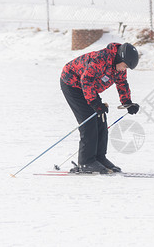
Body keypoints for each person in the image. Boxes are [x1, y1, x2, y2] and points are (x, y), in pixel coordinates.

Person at [60, 42, 140, 174]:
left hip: (86, 86)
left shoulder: (118, 66)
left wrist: (128, 103)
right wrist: (95, 103)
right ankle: (86, 162)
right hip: (72, 83)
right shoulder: (101, 59)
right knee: (89, 120)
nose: (123, 69)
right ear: (120, 58)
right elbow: (86, 80)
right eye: (124, 66)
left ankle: (99, 157)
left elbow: (122, 83)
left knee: (101, 118)